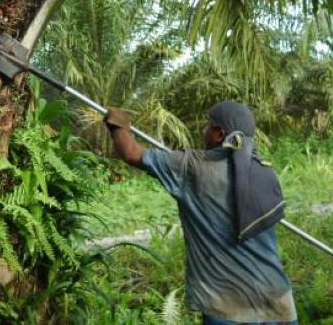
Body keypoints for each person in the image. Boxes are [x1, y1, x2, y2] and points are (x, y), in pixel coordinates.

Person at [104, 101, 297, 325]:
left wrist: (118, 123)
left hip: (227, 309)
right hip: (279, 303)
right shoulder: (264, 171)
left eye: (208, 125)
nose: (203, 130)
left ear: (219, 134)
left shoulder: (191, 167)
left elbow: (130, 152)